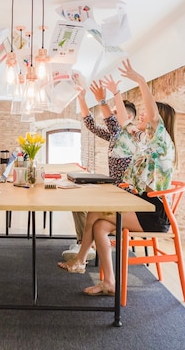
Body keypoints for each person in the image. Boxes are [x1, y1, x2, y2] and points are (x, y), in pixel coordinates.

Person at [58, 58, 176, 297]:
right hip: (140, 205)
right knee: (100, 225)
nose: (141, 115)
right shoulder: (142, 140)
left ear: (159, 123)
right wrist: (115, 93)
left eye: (146, 114)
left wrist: (140, 80)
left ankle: (81, 261)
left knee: (95, 213)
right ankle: (108, 281)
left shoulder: (161, 142)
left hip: (153, 212)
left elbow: (152, 116)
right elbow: (123, 121)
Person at [62, 79, 137, 262]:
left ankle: (85, 246)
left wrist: (102, 100)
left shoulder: (129, 136)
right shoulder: (115, 135)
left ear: (128, 118)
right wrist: (82, 99)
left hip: (124, 194)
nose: (110, 116)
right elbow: (91, 125)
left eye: (115, 112)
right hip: (113, 190)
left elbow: (112, 123)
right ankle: (85, 244)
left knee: (82, 204)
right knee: (77, 201)